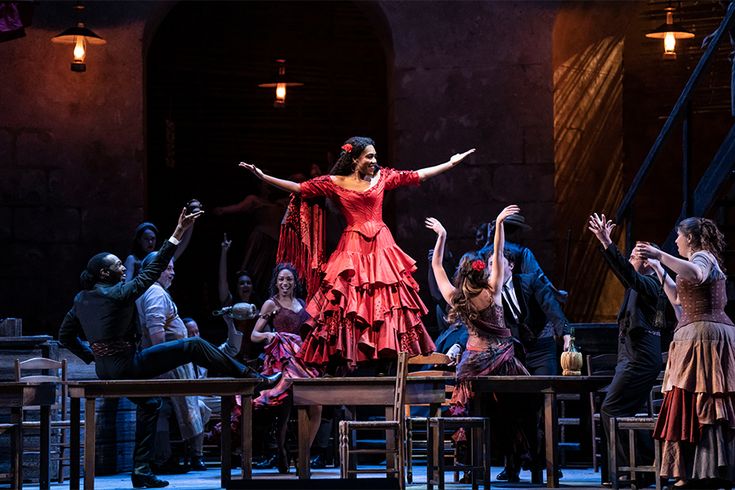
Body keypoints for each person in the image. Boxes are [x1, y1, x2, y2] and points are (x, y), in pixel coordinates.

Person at [58, 209, 280, 489]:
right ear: (104, 273)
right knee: (193, 344)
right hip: (128, 365)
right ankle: (252, 378)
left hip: (106, 368)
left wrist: (91, 355)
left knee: (150, 405)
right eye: (118, 266)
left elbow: (65, 335)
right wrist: (176, 234)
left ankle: (140, 472)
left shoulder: (80, 300)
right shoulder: (118, 292)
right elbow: (152, 270)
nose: (125, 269)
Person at [239, 136, 475, 372]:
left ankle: (385, 354)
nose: (374, 160)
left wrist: (450, 163)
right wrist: (262, 176)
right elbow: (300, 188)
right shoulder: (335, 182)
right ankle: (354, 356)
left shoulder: (382, 178)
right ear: (354, 159)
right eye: (369, 156)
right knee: (350, 303)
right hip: (352, 248)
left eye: (375, 156)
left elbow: (416, 175)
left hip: (381, 246)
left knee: (386, 299)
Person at [425, 205, 531, 483]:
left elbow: (437, 266)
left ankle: (470, 466)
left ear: (461, 275)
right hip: (503, 363)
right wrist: (498, 223)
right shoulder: (492, 290)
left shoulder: (456, 297)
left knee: (473, 411)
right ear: (481, 272)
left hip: (473, 364)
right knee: (510, 412)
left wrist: (442, 235)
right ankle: (512, 463)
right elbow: (497, 251)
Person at [635, 217, 735, 488]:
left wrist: (659, 254)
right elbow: (678, 301)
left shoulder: (703, 257)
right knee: (689, 398)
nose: (676, 241)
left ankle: (708, 470)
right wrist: (658, 268)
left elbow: (697, 274)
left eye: (678, 236)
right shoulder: (694, 261)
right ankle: (691, 471)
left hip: (705, 336)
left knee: (703, 398)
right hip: (694, 333)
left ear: (689, 238)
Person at [588, 213, 664, 486]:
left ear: (648, 263)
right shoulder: (637, 285)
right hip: (631, 357)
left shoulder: (652, 285)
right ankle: (630, 469)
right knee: (618, 412)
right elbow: (624, 271)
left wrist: (609, 242)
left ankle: (643, 466)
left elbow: (627, 273)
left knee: (612, 409)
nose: (630, 257)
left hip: (640, 358)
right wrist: (603, 241)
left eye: (634, 254)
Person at [136, 253, 206, 473]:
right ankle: (163, 458)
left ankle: (169, 457)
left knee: (172, 409)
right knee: (163, 408)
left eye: (173, 268)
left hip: (169, 363)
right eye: (167, 268)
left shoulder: (152, 291)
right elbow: (155, 329)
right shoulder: (155, 292)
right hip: (166, 365)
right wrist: (163, 361)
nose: (172, 272)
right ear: (155, 269)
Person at [250, 263, 321, 473]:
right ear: (276, 281)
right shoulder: (270, 304)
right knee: (284, 409)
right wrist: (269, 335)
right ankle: (281, 451)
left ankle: (303, 454)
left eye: (289, 279)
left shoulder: (302, 303)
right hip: (283, 360)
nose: (285, 283)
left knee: (316, 406)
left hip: (302, 359)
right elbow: (254, 335)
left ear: (294, 282)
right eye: (281, 279)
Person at [217, 233, 261, 362]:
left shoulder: (258, 307)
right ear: (237, 287)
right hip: (232, 357)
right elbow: (222, 280)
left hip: (253, 358)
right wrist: (224, 252)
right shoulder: (230, 304)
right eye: (241, 283)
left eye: (248, 282)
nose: (245, 285)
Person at [124, 220, 192, 282]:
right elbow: (126, 284)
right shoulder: (132, 259)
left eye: (153, 239)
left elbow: (181, 245)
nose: (150, 242)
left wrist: (191, 223)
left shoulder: (159, 257)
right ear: (139, 240)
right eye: (146, 239)